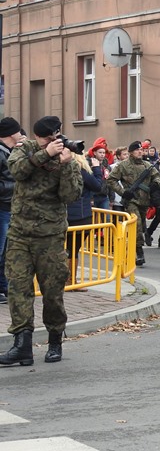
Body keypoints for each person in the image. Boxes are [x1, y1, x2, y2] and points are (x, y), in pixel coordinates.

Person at [0, 116, 83, 366]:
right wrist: (45, 154)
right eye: (49, 138)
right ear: (37, 137)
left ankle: (55, 341)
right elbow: (17, 171)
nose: (54, 141)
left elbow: (70, 195)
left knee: (53, 292)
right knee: (18, 290)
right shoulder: (23, 149)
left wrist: (66, 165)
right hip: (20, 234)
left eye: (56, 136)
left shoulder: (66, 157)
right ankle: (22, 346)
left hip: (50, 236)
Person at [107, 140, 160, 266]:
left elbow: (157, 177)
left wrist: (156, 184)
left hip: (145, 201)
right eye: (137, 150)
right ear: (131, 152)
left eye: (141, 150)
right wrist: (123, 192)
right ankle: (139, 253)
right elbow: (111, 180)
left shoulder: (147, 165)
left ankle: (131, 249)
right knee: (136, 225)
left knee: (140, 227)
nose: (140, 152)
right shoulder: (123, 165)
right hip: (131, 201)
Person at [66, 151, 105, 286]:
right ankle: (70, 280)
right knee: (73, 249)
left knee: (65, 249)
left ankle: (68, 279)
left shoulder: (62, 169)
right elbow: (97, 186)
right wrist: (97, 169)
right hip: (80, 215)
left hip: (64, 214)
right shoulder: (81, 170)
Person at [0, 118, 24, 306]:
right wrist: (17, 187)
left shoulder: (9, 151)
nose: (21, 133)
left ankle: (3, 287)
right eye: (18, 130)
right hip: (2, 209)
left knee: (6, 253)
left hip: (9, 209)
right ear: (10, 133)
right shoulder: (1, 153)